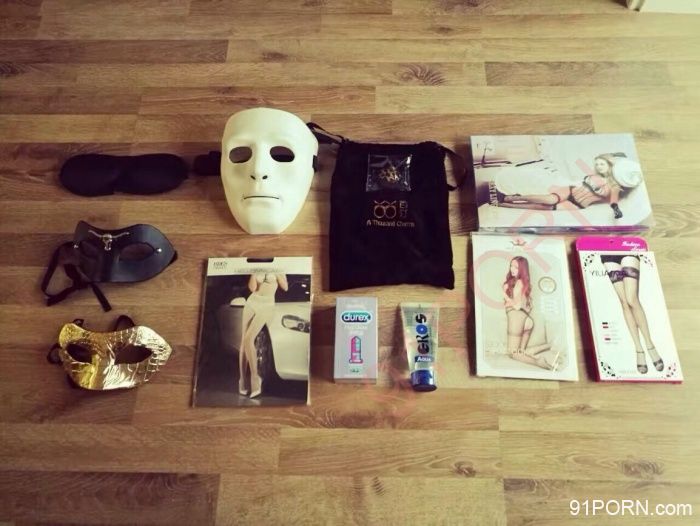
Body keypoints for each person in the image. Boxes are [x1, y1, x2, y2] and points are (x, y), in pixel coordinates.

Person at [492, 154, 625, 219]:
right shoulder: (601, 174)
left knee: (548, 207)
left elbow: (613, 201)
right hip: (571, 191)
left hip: (579, 204)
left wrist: (616, 210)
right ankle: (512, 198)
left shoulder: (615, 188)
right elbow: (587, 178)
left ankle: (507, 205)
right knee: (551, 199)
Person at [601, 255, 663, 374]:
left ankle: (649, 344)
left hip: (625, 251)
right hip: (607, 255)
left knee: (632, 299)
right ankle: (639, 348)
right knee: (624, 302)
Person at [503, 256, 557, 370]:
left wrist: (504, 294)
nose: (512, 269)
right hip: (526, 320)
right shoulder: (523, 283)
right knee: (521, 352)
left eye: (516, 267)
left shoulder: (518, 283)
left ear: (522, 269)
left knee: (513, 353)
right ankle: (546, 346)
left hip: (516, 318)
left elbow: (517, 306)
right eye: (511, 266)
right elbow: (528, 307)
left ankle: (538, 362)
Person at [238, 272, 288, 398]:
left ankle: (255, 378)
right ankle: (242, 381)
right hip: (252, 302)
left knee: (249, 339)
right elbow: (252, 289)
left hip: (267, 305)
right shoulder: (257, 269)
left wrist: (276, 273)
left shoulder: (279, 269)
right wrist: (254, 274)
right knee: (243, 341)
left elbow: (285, 287)